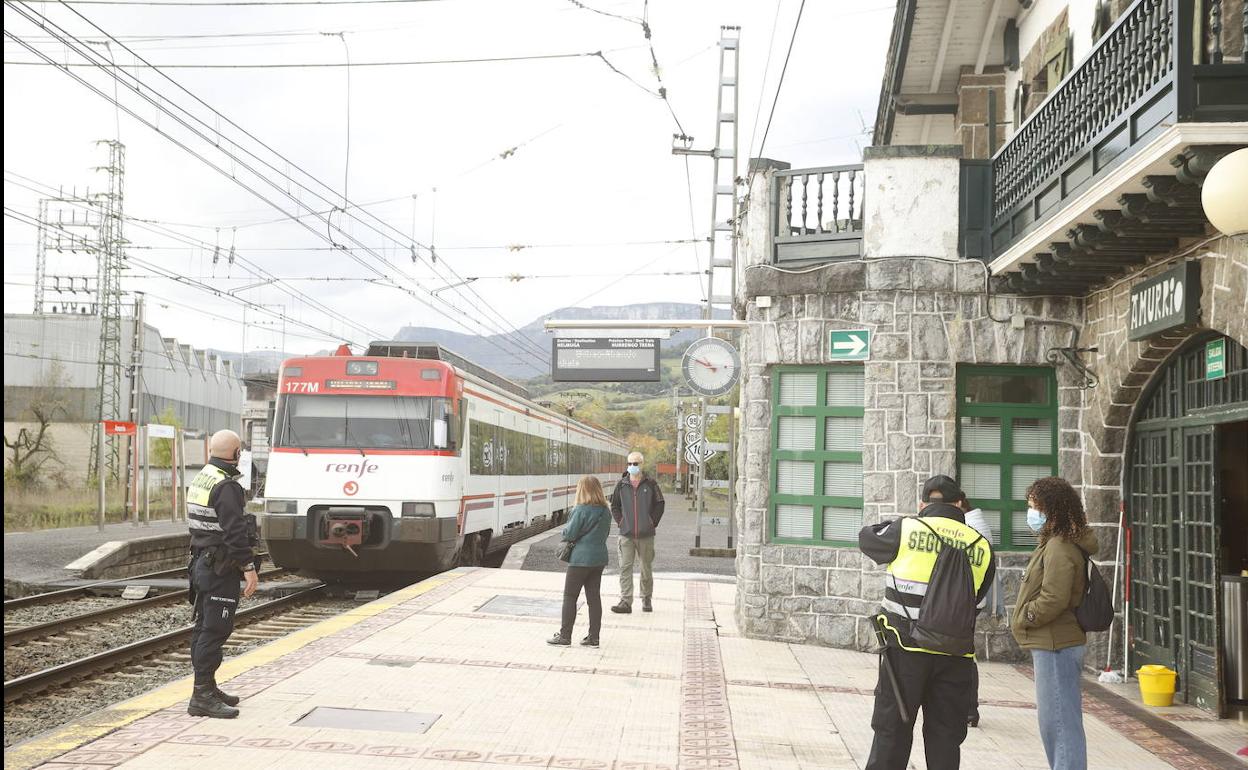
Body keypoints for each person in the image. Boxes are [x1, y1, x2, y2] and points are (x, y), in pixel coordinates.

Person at [858, 475, 996, 770]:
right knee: (945, 739)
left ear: (922, 503)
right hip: (955, 656)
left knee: (891, 733)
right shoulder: (982, 546)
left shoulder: (907, 529)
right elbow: (978, 603)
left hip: (904, 649)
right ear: (960, 504)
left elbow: (866, 538)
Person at [1011, 477, 1098, 770]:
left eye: (1034, 506)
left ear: (1051, 508)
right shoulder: (1055, 541)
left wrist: (1026, 616)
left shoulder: (1060, 546)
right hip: (1053, 641)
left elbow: (1054, 596)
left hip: (1055, 642)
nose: (1030, 513)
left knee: (1059, 723)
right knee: (1057, 722)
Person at [186, 429, 260, 718]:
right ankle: (201, 695)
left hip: (202, 563)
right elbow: (234, 532)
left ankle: (208, 687)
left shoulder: (203, 476)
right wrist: (249, 568)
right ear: (236, 454)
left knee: (204, 626)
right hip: (219, 567)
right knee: (215, 630)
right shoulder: (227, 486)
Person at [920, 483, 995, 730]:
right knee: (964, 653)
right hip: (964, 598)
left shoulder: (971, 526)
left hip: (960, 599)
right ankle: (967, 709)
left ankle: (968, 709)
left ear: (958, 504)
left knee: (963, 654)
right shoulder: (973, 522)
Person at [547, 476, 613, 647]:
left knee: (570, 597)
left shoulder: (580, 509)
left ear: (582, 490)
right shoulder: (606, 511)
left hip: (580, 560)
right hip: (598, 558)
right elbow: (605, 534)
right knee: (594, 599)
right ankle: (593, 637)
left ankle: (565, 636)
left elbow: (569, 534)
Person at [610, 451, 665, 614]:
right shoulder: (621, 485)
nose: (632, 466)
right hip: (626, 535)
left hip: (646, 535)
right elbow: (614, 506)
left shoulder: (651, 484)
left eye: (636, 463)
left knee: (645, 568)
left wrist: (652, 522)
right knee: (625, 568)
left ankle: (646, 598)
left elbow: (660, 504)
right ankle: (626, 601)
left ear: (642, 464)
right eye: (630, 463)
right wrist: (621, 522)